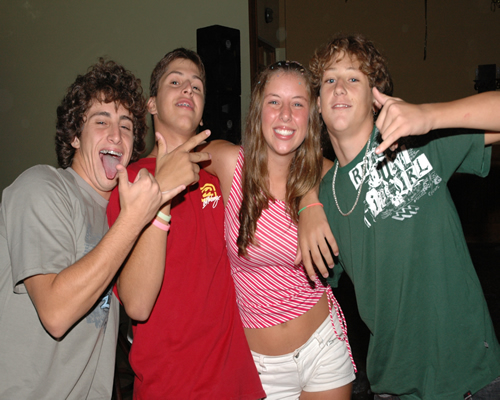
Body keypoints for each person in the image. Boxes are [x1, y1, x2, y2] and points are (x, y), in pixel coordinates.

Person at [297, 33, 500, 399]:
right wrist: (305, 200)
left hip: (471, 373)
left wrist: (430, 115)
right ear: (318, 105)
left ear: (375, 98)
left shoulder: (416, 140)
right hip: (395, 383)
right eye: (329, 80)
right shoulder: (323, 198)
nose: (339, 87)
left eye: (353, 78)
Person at [0, 59, 198, 399]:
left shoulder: (118, 214)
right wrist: (134, 220)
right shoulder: (41, 187)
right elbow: (56, 313)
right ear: (75, 136)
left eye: (126, 126)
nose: (116, 135)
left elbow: (137, 309)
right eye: (101, 121)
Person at [106, 48, 265, 400]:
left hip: (235, 382)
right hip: (171, 386)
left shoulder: (217, 173)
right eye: (175, 82)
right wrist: (161, 191)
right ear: (151, 105)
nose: (188, 89)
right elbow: (137, 304)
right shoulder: (131, 180)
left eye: (196, 86)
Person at [200, 61, 356, 400]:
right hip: (259, 367)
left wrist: (310, 199)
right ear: (258, 110)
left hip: (323, 347)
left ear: (311, 116)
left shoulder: (327, 177)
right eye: (274, 102)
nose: (285, 115)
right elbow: (178, 153)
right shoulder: (231, 164)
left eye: (297, 104)